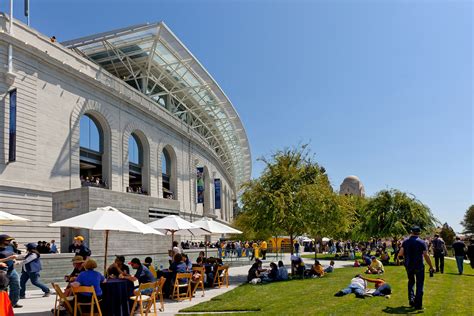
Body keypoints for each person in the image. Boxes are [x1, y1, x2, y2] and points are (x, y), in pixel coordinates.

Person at [398, 226, 434, 311]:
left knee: (411, 282)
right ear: (419, 233)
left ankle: (411, 300)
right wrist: (431, 266)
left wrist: (405, 257)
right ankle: (418, 305)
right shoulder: (422, 242)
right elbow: (426, 255)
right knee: (419, 284)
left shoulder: (405, 241)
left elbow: (400, 253)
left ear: (411, 232)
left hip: (409, 265)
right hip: (419, 265)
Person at [0, 235, 21, 308]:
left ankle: (12, 303)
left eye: (10, 240)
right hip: (1, 271)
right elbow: (9, 257)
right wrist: (8, 259)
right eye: (7, 240)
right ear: (2, 240)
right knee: (2, 289)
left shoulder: (10, 246)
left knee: (16, 286)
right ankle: (3, 305)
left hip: (12, 270)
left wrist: (14, 261)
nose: (9, 242)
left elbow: (12, 255)